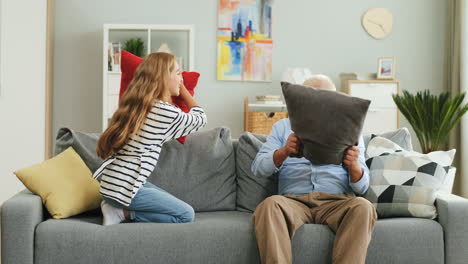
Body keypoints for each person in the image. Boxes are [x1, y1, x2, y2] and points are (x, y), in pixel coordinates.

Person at [251, 75, 377, 264]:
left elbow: (363, 188)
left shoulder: (351, 131)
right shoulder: (282, 127)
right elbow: (258, 168)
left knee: (364, 207)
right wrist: (284, 151)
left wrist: (354, 166)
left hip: (337, 202)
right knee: (269, 206)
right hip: (293, 201)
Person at [93, 52, 207, 225]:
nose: (181, 78)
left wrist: (177, 83)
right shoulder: (164, 112)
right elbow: (200, 119)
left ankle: (115, 207)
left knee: (163, 197)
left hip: (112, 184)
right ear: (163, 77)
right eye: (177, 73)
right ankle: (123, 213)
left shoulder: (138, 105)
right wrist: (183, 90)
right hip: (124, 189)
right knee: (186, 214)